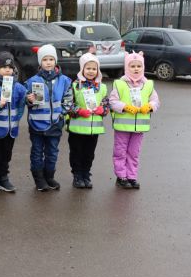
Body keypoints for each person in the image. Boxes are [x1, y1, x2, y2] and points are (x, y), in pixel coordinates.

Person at [25, 44, 73, 191]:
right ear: (40, 62)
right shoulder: (32, 80)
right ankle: (39, 179)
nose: (48, 62)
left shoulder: (64, 80)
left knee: (52, 151)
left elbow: (68, 98)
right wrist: (29, 100)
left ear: (55, 61)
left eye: (51, 59)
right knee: (37, 151)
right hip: (37, 124)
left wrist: (61, 113)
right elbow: (26, 99)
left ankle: (49, 176)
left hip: (55, 123)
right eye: (45, 59)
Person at [109, 51, 160, 189]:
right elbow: (112, 101)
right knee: (120, 151)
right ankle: (121, 176)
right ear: (127, 67)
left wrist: (150, 106)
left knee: (134, 152)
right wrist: (124, 107)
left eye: (139, 66)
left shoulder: (148, 85)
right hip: (123, 127)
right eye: (132, 66)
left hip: (139, 128)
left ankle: (132, 176)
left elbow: (155, 101)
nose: (136, 69)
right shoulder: (120, 84)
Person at [0, 52, 27, 194]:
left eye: (10, 67)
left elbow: (21, 106)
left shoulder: (18, 87)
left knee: (7, 154)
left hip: (11, 129)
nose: (7, 70)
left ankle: (4, 178)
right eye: (4, 67)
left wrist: (16, 119)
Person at [67, 53, 109, 189]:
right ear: (82, 69)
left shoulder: (102, 87)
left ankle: (86, 174)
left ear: (98, 70)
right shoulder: (75, 86)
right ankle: (77, 175)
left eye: (94, 69)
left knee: (89, 153)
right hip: (77, 129)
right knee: (76, 152)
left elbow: (106, 104)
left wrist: (102, 110)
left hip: (94, 129)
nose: (91, 71)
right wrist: (78, 111)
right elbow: (67, 104)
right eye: (88, 68)